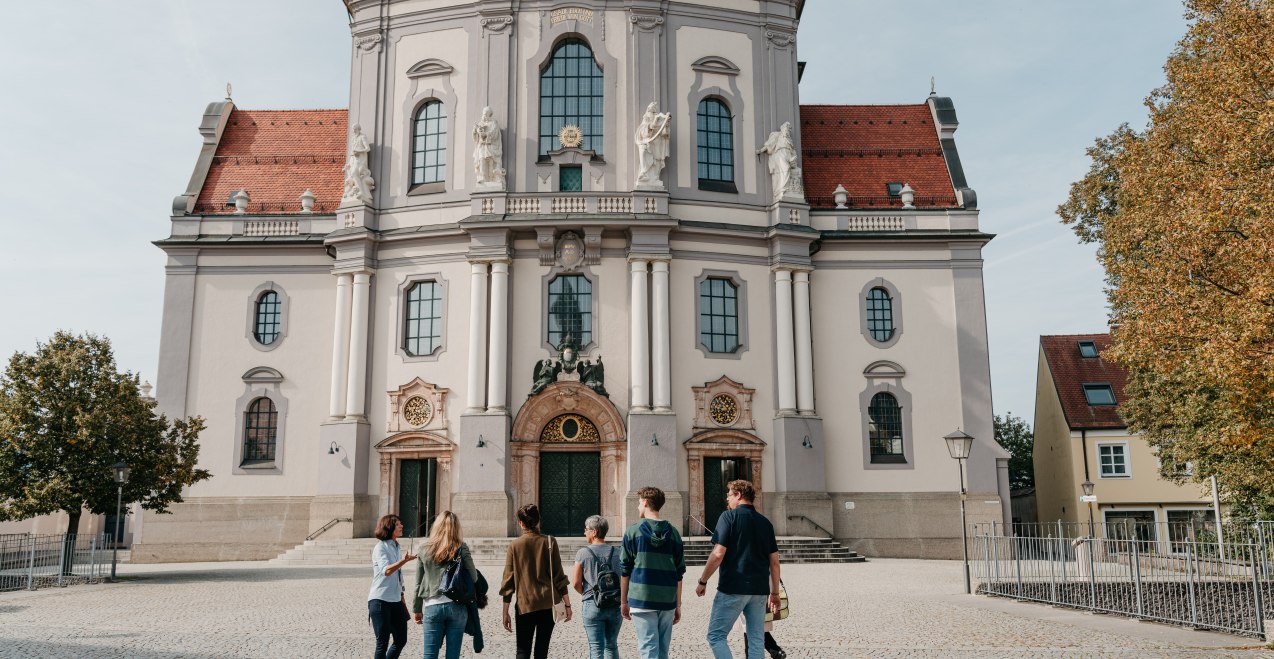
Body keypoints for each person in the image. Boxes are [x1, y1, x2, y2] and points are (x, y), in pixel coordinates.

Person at [695, 480, 781, 659]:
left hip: (733, 587)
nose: (727, 499)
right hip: (759, 590)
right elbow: (774, 562)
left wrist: (703, 580)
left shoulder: (728, 517)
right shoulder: (766, 523)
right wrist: (774, 593)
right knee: (756, 639)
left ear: (739, 495)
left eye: (729, 495)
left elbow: (718, 554)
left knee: (716, 636)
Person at [620, 487, 686, 659]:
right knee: (662, 650)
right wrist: (678, 604)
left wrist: (623, 602)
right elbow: (679, 573)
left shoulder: (632, 532)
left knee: (648, 649)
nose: (637, 506)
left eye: (639, 502)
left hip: (642, 599)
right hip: (667, 599)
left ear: (646, 502)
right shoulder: (674, 533)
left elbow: (625, 570)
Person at [501, 504, 571, 659]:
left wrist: (505, 610)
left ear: (520, 523)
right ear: (538, 521)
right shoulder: (550, 542)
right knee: (541, 651)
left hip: (525, 605)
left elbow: (508, 581)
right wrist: (567, 604)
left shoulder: (514, 545)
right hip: (547, 603)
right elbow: (559, 576)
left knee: (522, 651)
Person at [411, 511, 476, 659]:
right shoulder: (461, 547)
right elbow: (474, 576)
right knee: (453, 656)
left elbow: (418, 582)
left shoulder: (424, 548)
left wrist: (416, 608)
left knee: (429, 655)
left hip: (432, 605)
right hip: (457, 605)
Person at [572, 514, 623, 659]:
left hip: (592, 604)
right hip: (614, 604)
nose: (584, 532)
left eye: (586, 529)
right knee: (611, 646)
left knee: (596, 648)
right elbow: (624, 579)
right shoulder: (618, 553)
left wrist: (588, 594)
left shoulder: (583, 553)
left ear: (594, 532)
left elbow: (576, 583)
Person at [369, 514, 417, 659]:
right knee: (382, 643)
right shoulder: (380, 547)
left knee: (401, 639)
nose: (402, 526)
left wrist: (402, 595)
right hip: (380, 600)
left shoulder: (396, 546)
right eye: (398, 524)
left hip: (396, 600)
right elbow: (387, 571)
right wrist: (404, 560)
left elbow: (398, 575)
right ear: (389, 527)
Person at [633, 102, 671, 187]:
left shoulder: (659, 117)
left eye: (653, 110)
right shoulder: (646, 121)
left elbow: (665, 132)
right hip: (648, 141)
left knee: (657, 160)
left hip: (657, 142)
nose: (651, 113)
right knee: (643, 150)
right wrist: (650, 126)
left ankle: (654, 178)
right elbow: (642, 131)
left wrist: (666, 122)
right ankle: (644, 173)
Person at [757, 122, 797, 199]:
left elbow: (793, 150)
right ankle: (782, 189)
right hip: (780, 154)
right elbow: (769, 145)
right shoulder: (777, 135)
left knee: (789, 169)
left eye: (788, 130)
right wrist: (760, 151)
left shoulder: (789, 139)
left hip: (788, 154)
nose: (787, 131)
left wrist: (794, 158)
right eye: (786, 129)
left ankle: (785, 189)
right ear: (782, 129)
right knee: (785, 167)